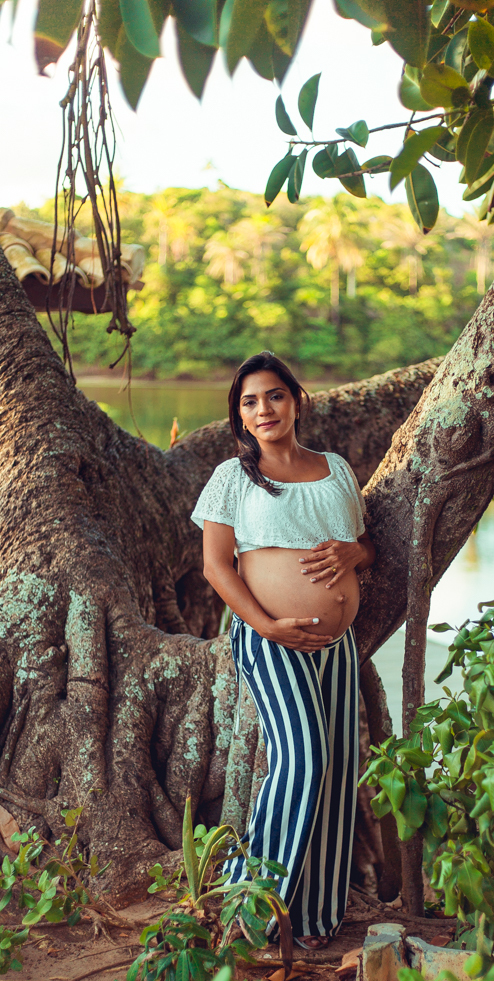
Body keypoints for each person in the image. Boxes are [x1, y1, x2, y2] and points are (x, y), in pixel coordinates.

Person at [191, 351, 376, 949]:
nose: (263, 409)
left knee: (341, 770)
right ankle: (249, 910)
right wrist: (267, 627)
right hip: (271, 640)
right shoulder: (231, 478)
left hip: (338, 646)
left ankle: (317, 919)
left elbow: (361, 545)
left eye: (273, 395)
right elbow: (217, 568)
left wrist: (355, 555)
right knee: (304, 762)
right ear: (239, 417)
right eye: (249, 402)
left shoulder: (336, 469)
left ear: (296, 400)